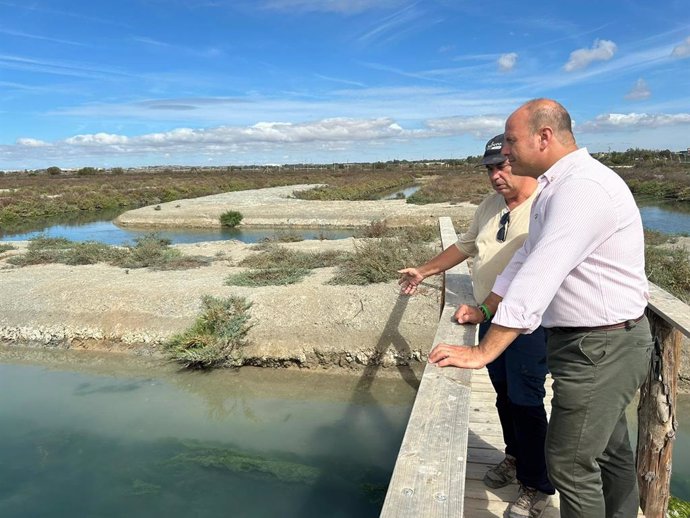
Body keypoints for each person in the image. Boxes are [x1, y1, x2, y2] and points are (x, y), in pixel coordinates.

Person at [428, 99, 653, 518]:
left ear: (543, 137)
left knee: (570, 465)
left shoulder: (582, 189)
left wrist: (482, 351)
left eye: (511, 142)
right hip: (591, 342)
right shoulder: (558, 187)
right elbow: (522, 260)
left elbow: (538, 278)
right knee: (610, 452)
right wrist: (486, 310)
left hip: (601, 346)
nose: (505, 154)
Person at [399, 134, 555, 517]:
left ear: (521, 161)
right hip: (490, 318)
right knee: (504, 396)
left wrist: (485, 311)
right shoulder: (489, 206)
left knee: (527, 401)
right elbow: (465, 246)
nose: (496, 176)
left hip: (527, 323)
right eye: (490, 169)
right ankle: (515, 457)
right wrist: (423, 270)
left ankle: (537, 485)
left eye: (502, 165)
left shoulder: (545, 206)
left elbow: (530, 274)